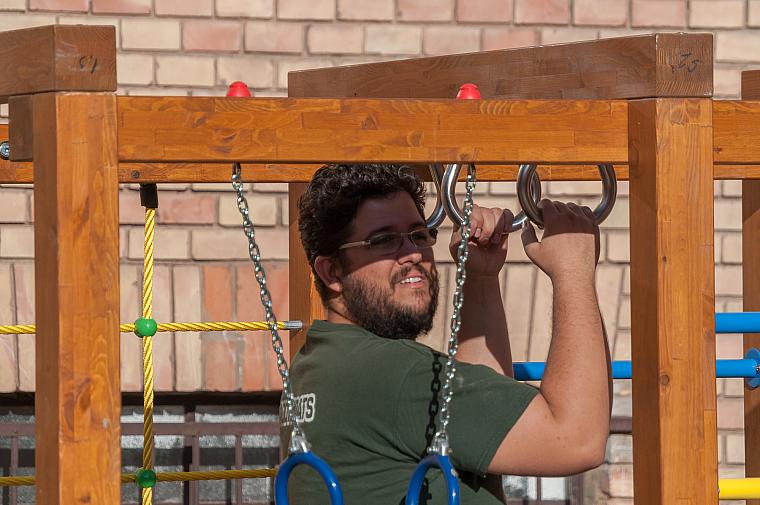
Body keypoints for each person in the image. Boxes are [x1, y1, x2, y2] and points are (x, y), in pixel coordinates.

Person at [281, 164, 612, 504]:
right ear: (332, 271)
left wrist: (480, 279)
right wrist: (573, 271)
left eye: (418, 234)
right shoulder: (395, 374)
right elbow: (577, 440)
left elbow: (478, 425)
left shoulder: (317, 364)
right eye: (384, 241)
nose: (412, 254)